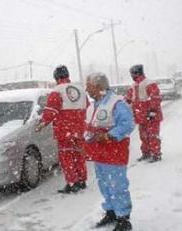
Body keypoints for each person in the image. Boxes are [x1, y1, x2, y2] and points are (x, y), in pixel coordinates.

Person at [84, 72, 134, 231]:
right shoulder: (94, 105)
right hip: (99, 155)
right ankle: (111, 211)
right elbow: (90, 126)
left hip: (114, 154)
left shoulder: (116, 103)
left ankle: (123, 219)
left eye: (89, 86)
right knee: (104, 184)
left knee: (117, 185)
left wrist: (108, 135)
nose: (86, 89)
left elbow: (127, 125)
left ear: (98, 87)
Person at [35, 65, 89, 193]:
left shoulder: (57, 91)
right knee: (79, 155)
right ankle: (82, 181)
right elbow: (88, 107)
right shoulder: (80, 90)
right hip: (80, 130)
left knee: (67, 157)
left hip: (65, 131)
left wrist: (42, 123)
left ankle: (72, 183)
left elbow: (51, 111)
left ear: (56, 77)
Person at [125, 64, 163, 162]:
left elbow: (155, 98)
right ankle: (146, 153)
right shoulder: (133, 86)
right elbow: (128, 98)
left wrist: (152, 111)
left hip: (151, 116)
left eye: (133, 73)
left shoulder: (149, 83)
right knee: (143, 136)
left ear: (138, 72)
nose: (132, 75)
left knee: (153, 135)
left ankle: (156, 154)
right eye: (131, 73)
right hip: (141, 116)